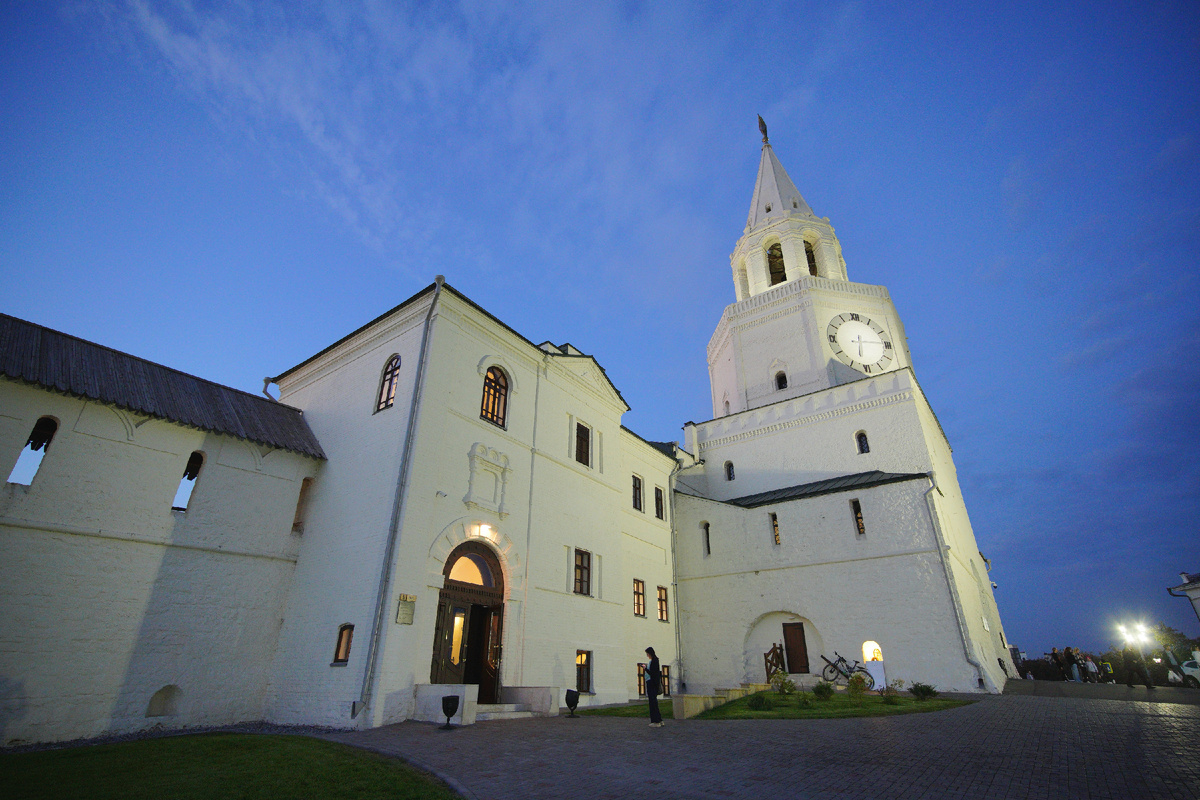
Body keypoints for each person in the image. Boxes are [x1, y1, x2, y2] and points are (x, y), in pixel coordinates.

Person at [645, 647, 664, 728]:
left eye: (647, 654)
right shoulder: (655, 661)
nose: (647, 656)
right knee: (654, 703)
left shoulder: (654, 661)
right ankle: (659, 720)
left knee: (652, 703)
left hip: (652, 684)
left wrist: (645, 668)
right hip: (653, 684)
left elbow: (652, 673)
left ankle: (655, 721)